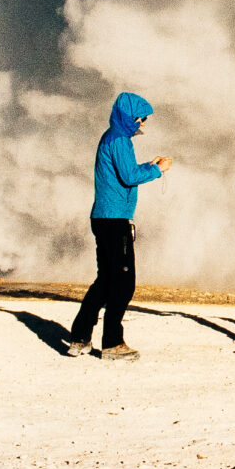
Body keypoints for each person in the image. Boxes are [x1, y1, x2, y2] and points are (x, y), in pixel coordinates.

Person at [68, 91, 171, 361]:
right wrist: (158, 169)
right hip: (115, 220)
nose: (144, 124)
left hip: (102, 217)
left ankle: (79, 337)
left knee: (105, 281)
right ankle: (112, 342)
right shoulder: (121, 140)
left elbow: (121, 172)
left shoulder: (110, 137)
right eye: (142, 119)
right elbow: (128, 176)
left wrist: (146, 165)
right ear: (131, 118)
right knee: (124, 284)